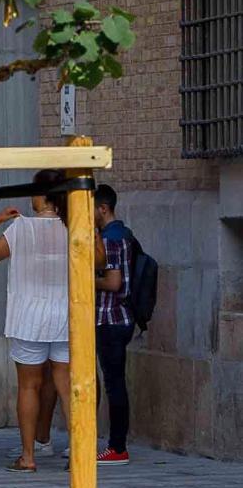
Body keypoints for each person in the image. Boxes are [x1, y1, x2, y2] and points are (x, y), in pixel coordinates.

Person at [0, 169, 73, 473]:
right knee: (68, 384)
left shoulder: (21, 228)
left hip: (28, 316)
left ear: (40, 195)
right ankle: (79, 451)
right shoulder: (73, 226)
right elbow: (98, 258)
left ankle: (28, 456)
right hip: (65, 314)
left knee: (28, 386)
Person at [94, 183, 134, 465]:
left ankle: (117, 447)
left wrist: (83, 277)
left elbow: (113, 281)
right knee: (115, 381)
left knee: (114, 383)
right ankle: (116, 445)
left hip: (110, 318)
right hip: (122, 318)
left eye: (91, 209)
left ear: (103, 208)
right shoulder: (125, 234)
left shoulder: (109, 239)